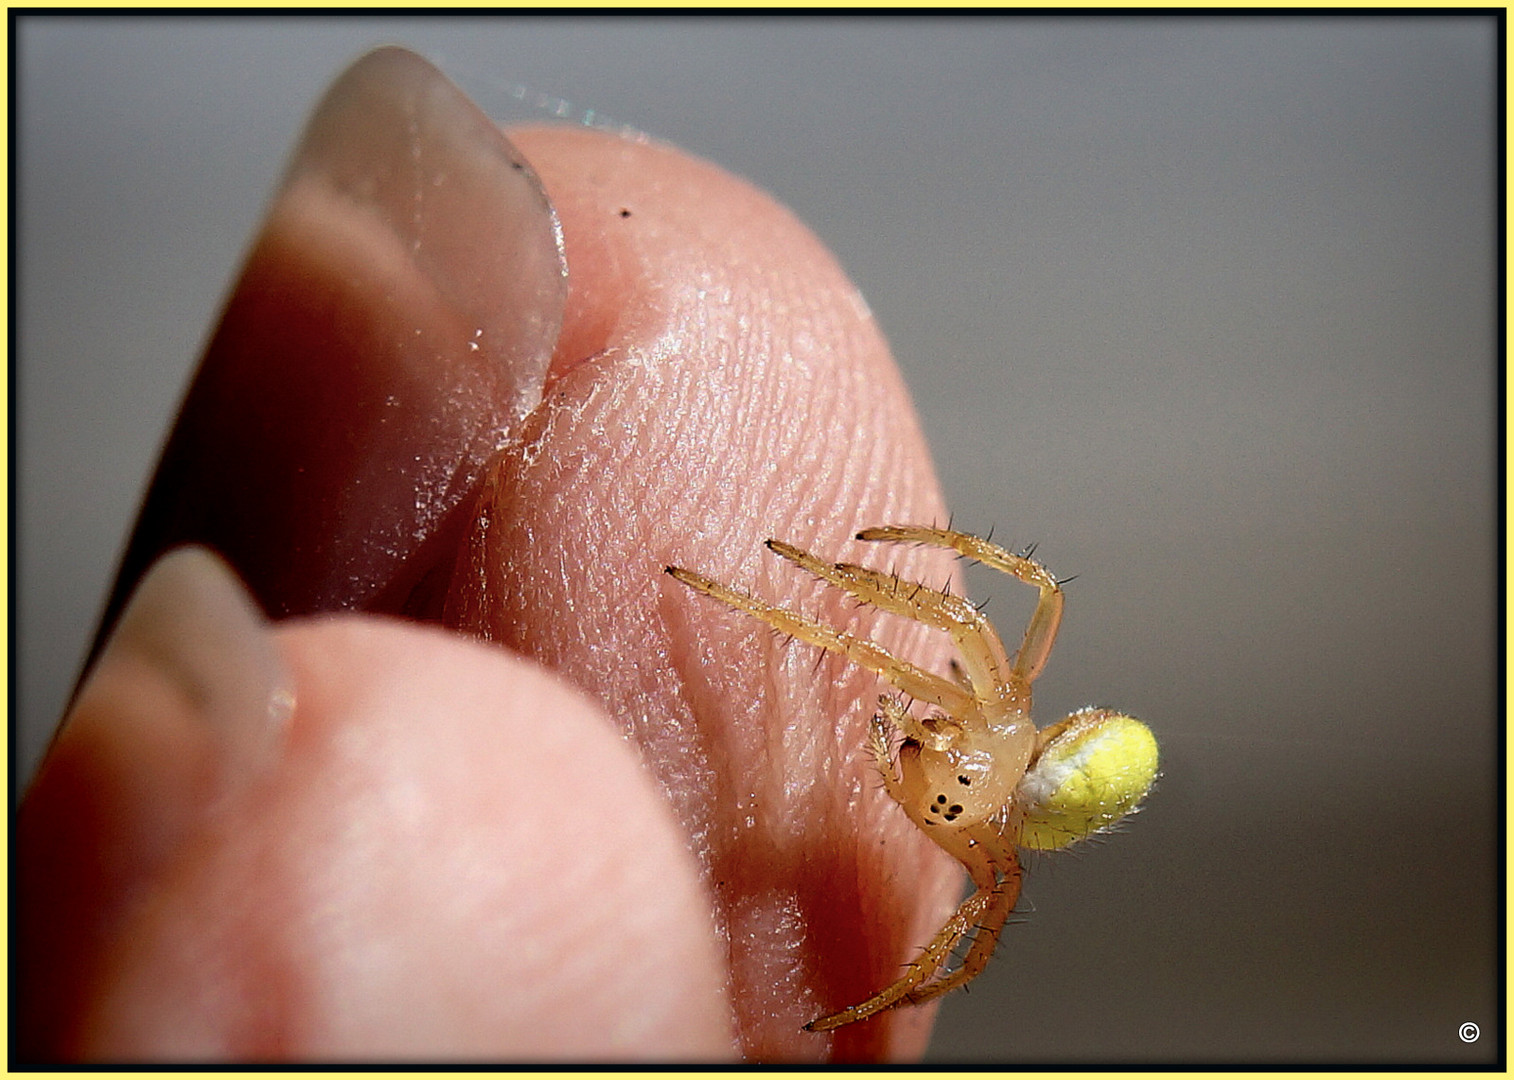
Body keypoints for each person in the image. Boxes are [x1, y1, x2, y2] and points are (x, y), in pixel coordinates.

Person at [17, 47, 960, 1063]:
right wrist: (816, 581)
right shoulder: (970, 705)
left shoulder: (969, 830)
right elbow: (968, 617)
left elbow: (965, 923)